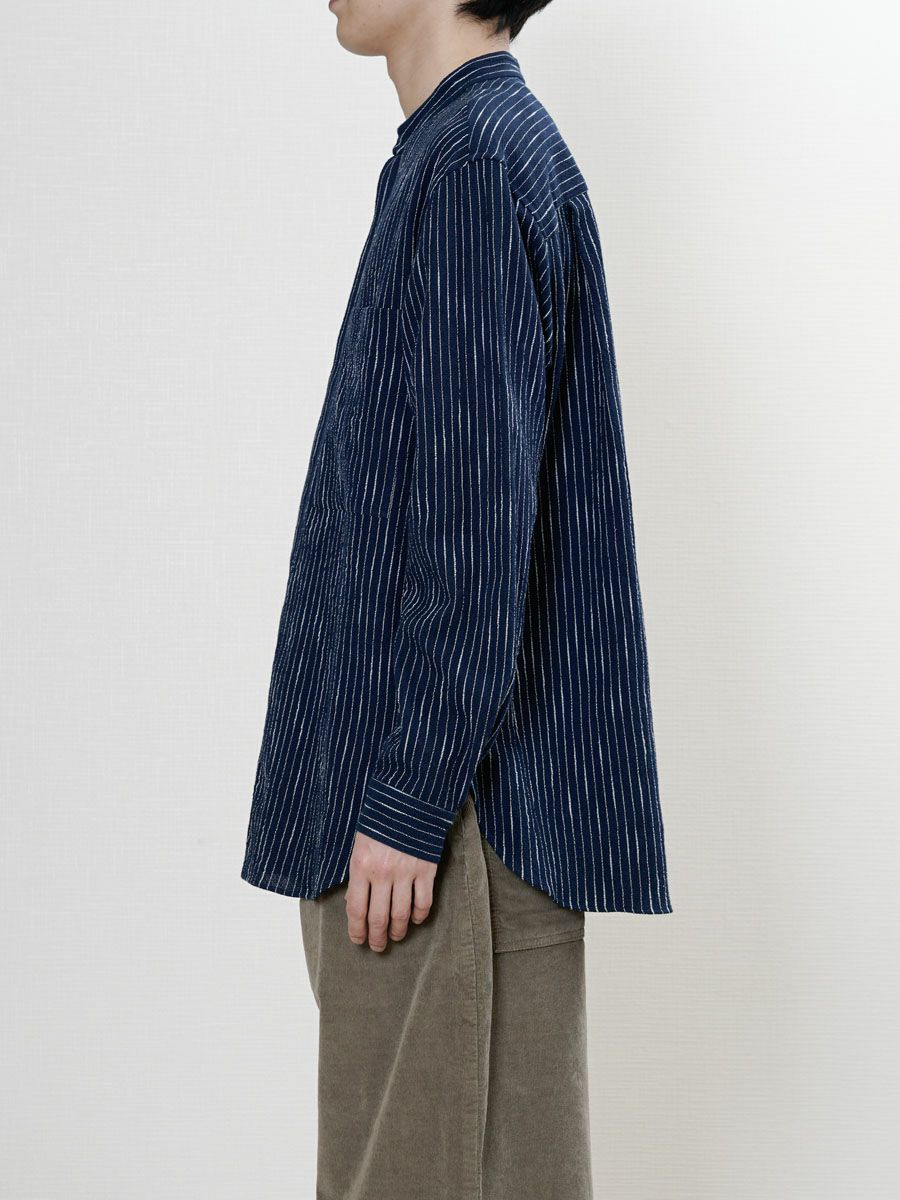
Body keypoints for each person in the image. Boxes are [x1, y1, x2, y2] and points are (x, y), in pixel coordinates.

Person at [242, 2, 672, 1195]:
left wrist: (405, 798)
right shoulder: (470, 151)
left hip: (446, 828)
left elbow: (475, 530)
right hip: (461, 813)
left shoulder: (474, 165)